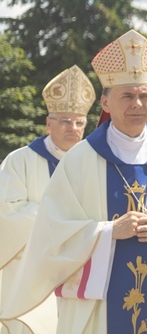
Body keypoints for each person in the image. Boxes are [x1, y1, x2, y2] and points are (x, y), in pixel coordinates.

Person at [0, 29, 147, 333]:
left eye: (145, 96)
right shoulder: (80, 160)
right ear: (105, 101)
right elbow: (52, 232)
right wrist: (109, 231)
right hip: (97, 307)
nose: (137, 105)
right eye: (127, 95)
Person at [0, 65, 95, 334]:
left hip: (79, 272)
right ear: (49, 123)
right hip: (30, 272)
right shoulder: (20, 161)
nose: (73, 128)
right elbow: (6, 211)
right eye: (65, 121)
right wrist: (60, 223)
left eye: (79, 122)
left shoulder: (93, 164)